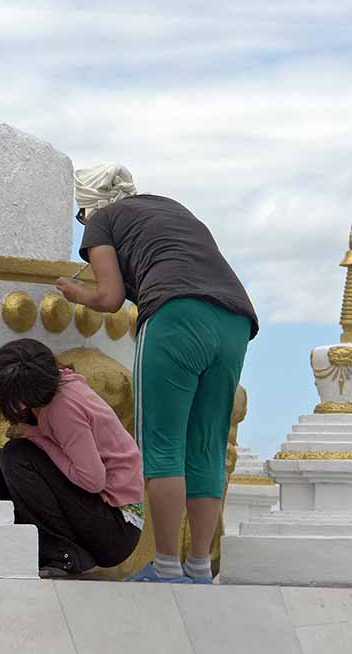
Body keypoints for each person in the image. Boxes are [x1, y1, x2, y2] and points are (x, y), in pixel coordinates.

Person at [57, 163, 258, 584]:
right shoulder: (170, 208)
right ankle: (200, 566)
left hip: (176, 316)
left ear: (90, 204)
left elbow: (111, 298)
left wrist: (77, 292)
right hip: (235, 320)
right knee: (206, 445)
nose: (83, 222)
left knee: (163, 446)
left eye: (81, 214)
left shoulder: (102, 221)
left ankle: (167, 565)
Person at [0, 339, 144, 579]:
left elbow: (92, 479)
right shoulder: (32, 383)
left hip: (116, 526)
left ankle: (64, 554)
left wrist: (34, 434)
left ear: (20, 400)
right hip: (92, 509)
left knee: (18, 455)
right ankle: (33, 546)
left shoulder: (64, 408)